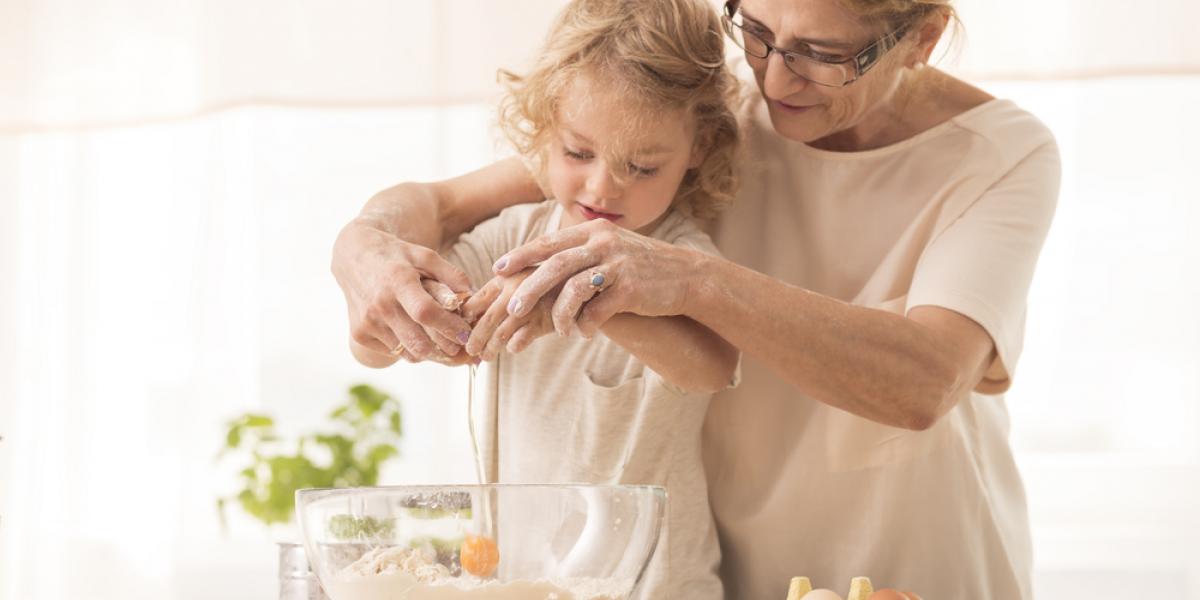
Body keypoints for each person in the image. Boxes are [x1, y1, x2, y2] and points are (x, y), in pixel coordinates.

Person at [331, 0, 1061, 597]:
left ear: (921, 38)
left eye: (821, 53)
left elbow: (924, 381)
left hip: (916, 561)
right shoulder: (699, 105)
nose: (775, 80)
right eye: (758, 31)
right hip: (728, 567)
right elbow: (445, 202)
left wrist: (691, 280)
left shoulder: (1001, 156)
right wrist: (362, 248)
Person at [345, 0, 741, 597]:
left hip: (658, 585)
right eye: (578, 153)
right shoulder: (514, 234)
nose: (603, 187)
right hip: (525, 583)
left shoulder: (684, 258)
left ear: (700, 149)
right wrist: (413, 312)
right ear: (545, 125)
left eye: (642, 166)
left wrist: (578, 294)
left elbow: (713, 365)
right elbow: (372, 349)